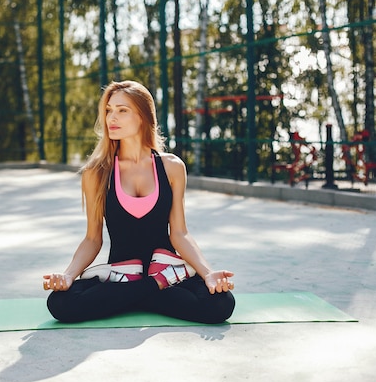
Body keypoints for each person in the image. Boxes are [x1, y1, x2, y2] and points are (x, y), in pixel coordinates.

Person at [43, 80, 235, 324]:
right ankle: (156, 285)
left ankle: (136, 291)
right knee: (59, 303)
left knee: (221, 303)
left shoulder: (171, 167)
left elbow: (179, 233)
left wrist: (208, 273)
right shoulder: (97, 172)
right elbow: (93, 238)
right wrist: (69, 275)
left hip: (161, 265)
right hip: (121, 273)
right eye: (109, 110)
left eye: (123, 110)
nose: (112, 117)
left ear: (143, 116)